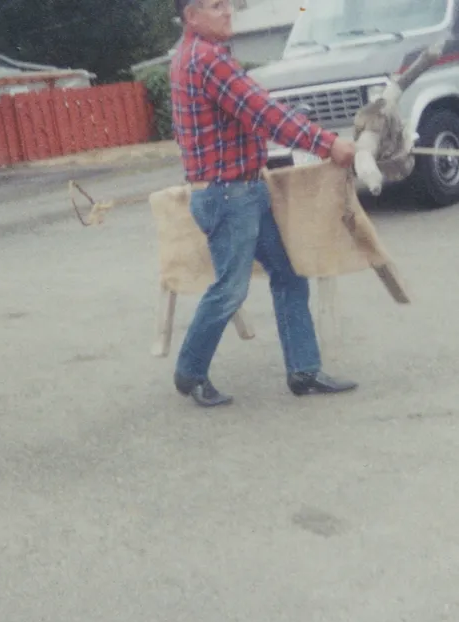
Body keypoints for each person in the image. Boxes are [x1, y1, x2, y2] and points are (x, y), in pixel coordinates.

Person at [169, 0, 360, 408]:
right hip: (227, 195)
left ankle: (303, 370)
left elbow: (247, 117)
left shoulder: (191, 55)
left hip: (241, 189)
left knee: (289, 274)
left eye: (227, 4)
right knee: (230, 290)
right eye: (216, 6)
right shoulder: (207, 60)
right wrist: (329, 144)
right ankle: (190, 371)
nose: (227, 12)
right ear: (191, 16)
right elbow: (264, 114)